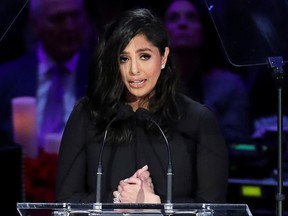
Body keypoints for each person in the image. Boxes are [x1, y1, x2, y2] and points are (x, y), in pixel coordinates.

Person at [56, 8, 228, 204]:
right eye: (124, 58)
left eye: (144, 56)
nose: (134, 70)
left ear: (163, 57)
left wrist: (156, 206)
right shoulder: (88, 114)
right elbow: (65, 202)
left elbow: (214, 209)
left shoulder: (198, 120)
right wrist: (118, 203)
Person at [0, 0, 91, 149]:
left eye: (75, 16)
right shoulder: (5, 79)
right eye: (58, 19)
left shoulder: (106, 75)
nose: (70, 26)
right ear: (35, 25)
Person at [164, 0, 251, 145]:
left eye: (191, 17)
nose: (182, 23)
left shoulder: (229, 86)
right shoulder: (147, 85)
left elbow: (236, 144)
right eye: (174, 18)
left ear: (204, 28)